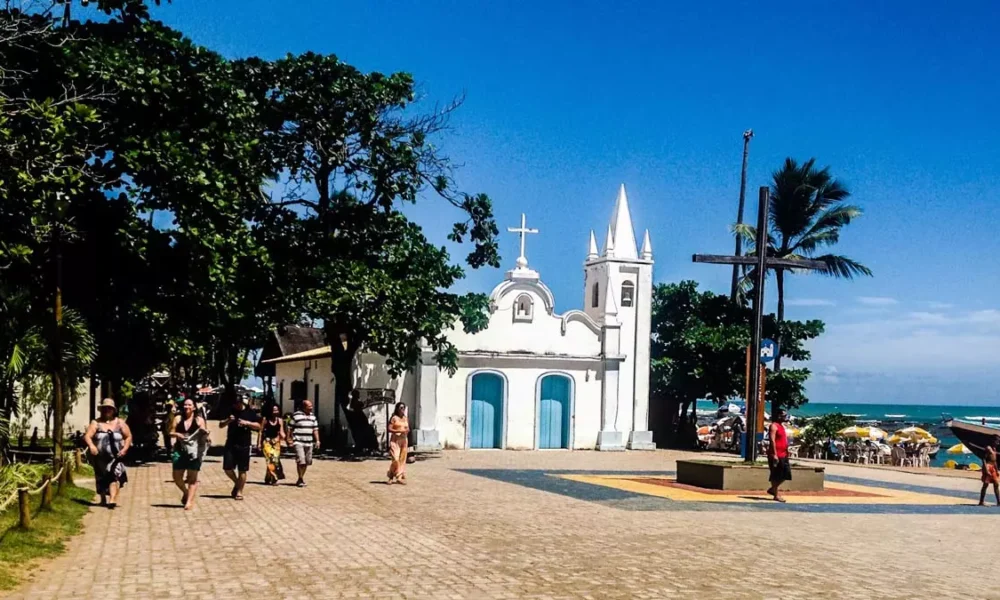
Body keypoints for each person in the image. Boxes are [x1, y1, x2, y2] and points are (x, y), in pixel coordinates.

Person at [83, 398, 132, 509]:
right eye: (105, 408)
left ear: (113, 410)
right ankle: (103, 498)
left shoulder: (120, 423)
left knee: (113, 476)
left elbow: (128, 436)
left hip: (116, 457)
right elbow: (87, 436)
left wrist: (124, 449)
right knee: (101, 477)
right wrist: (92, 446)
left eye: (109, 408)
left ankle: (112, 500)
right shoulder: (96, 423)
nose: (107, 411)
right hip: (100, 457)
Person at [170, 398, 209, 510]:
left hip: (194, 451)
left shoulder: (199, 420)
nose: (187, 407)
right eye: (185, 405)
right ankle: (186, 492)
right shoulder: (178, 418)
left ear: (194, 407)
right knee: (177, 476)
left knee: (192, 478)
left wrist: (206, 434)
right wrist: (177, 435)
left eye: (189, 405)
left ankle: (189, 501)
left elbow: (204, 435)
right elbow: (171, 432)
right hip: (180, 450)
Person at [220, 396, 260, 500]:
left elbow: (258, 426)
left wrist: (247, 423)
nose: (236, 405)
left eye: (238, 403)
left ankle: (239, 491)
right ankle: (238, 483)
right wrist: (228, 420)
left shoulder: (250, 412)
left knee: (242, 470)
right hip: (230, 443)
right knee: (227, 468)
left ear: (242, 403)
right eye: (235, 403)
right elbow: (221, 424)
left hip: (244, 444)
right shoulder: (230, 411)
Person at [288, 400, 320, 487]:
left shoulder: (313, 416)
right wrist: (289, 439)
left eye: (311, 406)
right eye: (309, 406)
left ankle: (301, 477)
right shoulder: (296, 415)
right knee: (301, 460)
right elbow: (290, 428)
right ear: (303, 407)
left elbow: (315, 429)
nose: (311, 408)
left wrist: (317, 440)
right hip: (298, 441)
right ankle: (300, 478)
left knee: (307, 461)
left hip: (309, 442)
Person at [766, 408, 791, 503]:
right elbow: (772, 440)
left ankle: (772, 489)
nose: (785, 417)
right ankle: (776, 495)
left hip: (784, 454)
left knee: (786, 474)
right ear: (779, 416)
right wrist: (774, 454)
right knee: (776, 474)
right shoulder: (774, 426)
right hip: (776, 454)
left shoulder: (781, 426)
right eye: (784, 415)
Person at [259, 403, 286, 485]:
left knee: (275, 460)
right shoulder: (265, 419)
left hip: (276, 442)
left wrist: (286, 438)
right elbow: (260, 431)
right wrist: (259, 444)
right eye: (274, 410)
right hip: (267, 442)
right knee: (270, 459)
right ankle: (274, 476)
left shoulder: (280, 420)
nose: (276, 412)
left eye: (277, 410)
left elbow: (281, 432)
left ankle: (268, 477)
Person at [386, 403, 410, 484]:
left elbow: (407, 427)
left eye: (404, 408)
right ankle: (391, 475)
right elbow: (389, 429)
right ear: (397, 409)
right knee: (395, 459)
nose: (403, 409)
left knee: (402, 459)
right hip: (395, 440)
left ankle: (399, 477)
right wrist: (399, 431)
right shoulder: (394, 418)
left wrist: (407, 430)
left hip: (404, 440)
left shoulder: (405, 418)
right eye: (401, 408)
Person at [979, 437, 1000, 507]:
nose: (998, 443)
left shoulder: (994, 449)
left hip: (993, 467)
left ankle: (999, 502)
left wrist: (997, 470)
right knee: (985, 484)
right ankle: (981, 501)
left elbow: (995, 461)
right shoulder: (988, 448)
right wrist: (986, 470)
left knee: (996, 484)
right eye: (997, 441)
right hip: (988, 466)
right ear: (993, 441)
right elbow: (984, 459)